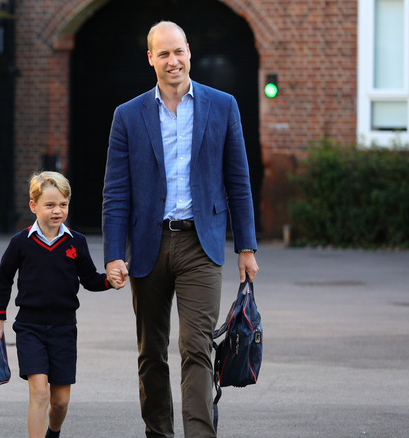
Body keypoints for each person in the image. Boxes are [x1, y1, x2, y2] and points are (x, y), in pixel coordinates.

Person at [102, 21, 260, 438]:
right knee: (151, 352)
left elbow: (238, 181)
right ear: (151, 58)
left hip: (200, 244)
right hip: (148, 245)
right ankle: (159, 432)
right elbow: (115, 193)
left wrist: (247, 247)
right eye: (164, 54)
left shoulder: (222, 105)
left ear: (189, 52)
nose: (173, 61)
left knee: (197, 349)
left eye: (179, 52)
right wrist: (114, 254)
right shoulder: (128, 115)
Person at [0, 171, 124, 438]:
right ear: (33, 206)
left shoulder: (77, 242)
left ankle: (53, 433)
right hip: (29, 328)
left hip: (63, 329)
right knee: (39, 393)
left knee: (60, 401)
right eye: (49, 205)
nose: (57, 210)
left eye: (63, 204)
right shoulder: (20, 243)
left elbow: (90, 279)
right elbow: (3, 280)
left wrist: (110, 281)